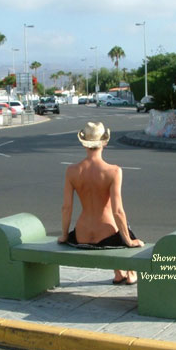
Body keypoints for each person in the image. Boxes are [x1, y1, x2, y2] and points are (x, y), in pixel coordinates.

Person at [58, 121, 144, 285]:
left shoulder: (72, 171)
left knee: (119, 227)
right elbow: (118, 211)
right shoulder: (113, 171)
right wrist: (128, 240)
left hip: (82, 235)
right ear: (105, 142)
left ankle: (118, 273)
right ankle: (131, 273)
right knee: (124, 228)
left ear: (84, 143)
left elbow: (66, 208)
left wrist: (64, 235)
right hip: (107, 234)